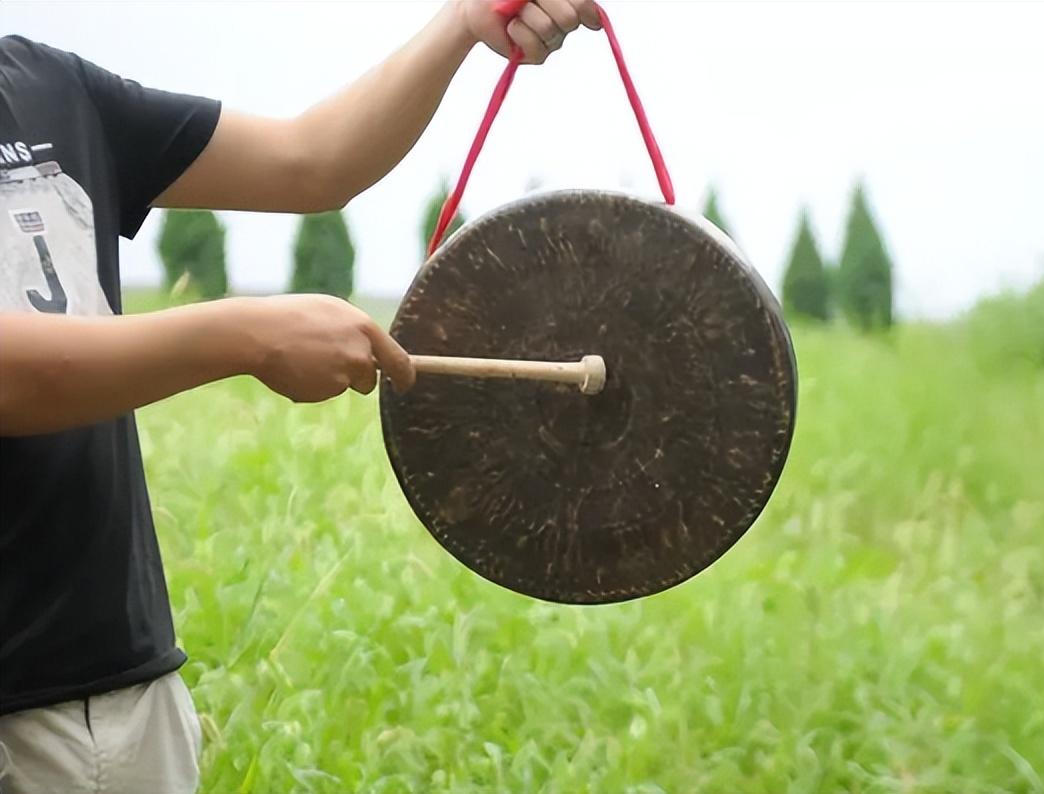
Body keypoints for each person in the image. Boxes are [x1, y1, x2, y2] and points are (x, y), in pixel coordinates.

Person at [0, 1, 601, 791]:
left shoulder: (45, 85)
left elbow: (309, 161)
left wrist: (461, 23)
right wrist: (245, 336)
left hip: (118, 696)